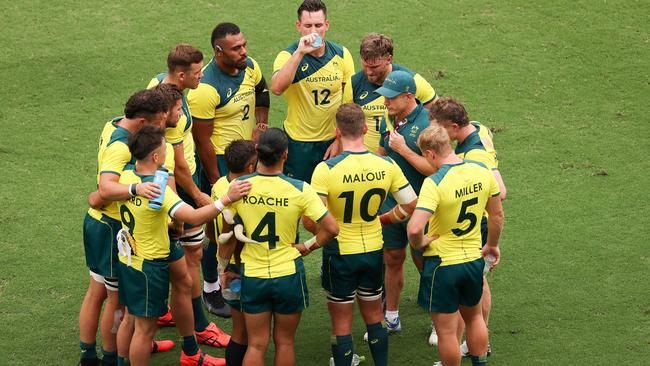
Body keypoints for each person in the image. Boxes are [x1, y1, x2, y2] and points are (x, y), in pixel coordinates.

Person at [116, 125, 251, 366]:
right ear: (156, 157)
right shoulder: (159, 192)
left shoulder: (126, 177)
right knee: (144, 331)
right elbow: (194, 217)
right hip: (150, 265)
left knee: (130, 319)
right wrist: (226, 199)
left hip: (129, 259)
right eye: (165, 147)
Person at [310, 104, 418, 366]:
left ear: (337, 132)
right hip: (372, 249)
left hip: (340, 253)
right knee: (373, 315)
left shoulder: (326, 170)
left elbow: (312, 219)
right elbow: (411, 204)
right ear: (366, 129)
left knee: (342, 321)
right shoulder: (386, 164)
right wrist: (385, 218)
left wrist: (322, 233)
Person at [226, 128, 339, 366]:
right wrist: (308, 246)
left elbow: (226, 229)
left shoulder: (239, 186)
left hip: (254, 274)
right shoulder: (300, 189)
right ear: (285, 154)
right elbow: (331, 228)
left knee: (256, 344)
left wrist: (222, 267)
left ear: (256, 152)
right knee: (285, 342)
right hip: (288, 273)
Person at [147, 46, 232, 345]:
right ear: (181, 75)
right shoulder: (172, 114)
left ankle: (164, 310)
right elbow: (177, 164)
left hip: (169, 184)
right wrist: (197, 195)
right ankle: (199, 326)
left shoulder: (156, 85)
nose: (203, 75)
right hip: (180, 186)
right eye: (197, 72)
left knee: (169, 253)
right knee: (192, 257)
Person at [79, 89, 169, 366]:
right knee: (114, 299)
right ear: (142, 122)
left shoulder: (114, 122)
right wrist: (136, 188)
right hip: (109, 226)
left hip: (100, 221)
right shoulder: (121, 146)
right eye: (157, 123)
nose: (160, 130)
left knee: (99, 290)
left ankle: (91, 354)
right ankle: (110, 356)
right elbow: (105, 189)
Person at [188, 23, 269, 313]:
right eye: (237, 48)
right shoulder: (205, 88)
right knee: (217, 228)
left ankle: (238, 278)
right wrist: (214, 180)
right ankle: (211, 288)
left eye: (244, 44)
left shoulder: (250, 67)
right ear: (218, 51)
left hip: (248, 156)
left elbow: (262, 90)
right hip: (222, 161)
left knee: (245, 222)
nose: (244, 51)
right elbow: (202, 140)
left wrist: (260, 124)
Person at [407, 124, 504, 366]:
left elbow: (415, 228)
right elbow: (497, 215)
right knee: (474, 319)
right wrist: (492, 245)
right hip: (473, 259)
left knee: (447, 332)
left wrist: (420, 243)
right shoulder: (481, 170)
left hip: (443, 266)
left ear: (430, 154)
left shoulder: (435, 183)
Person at [428, 96, 507, 354]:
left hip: (474, 225)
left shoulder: (474, 155)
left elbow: (501, 191)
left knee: (473, 289)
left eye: (439, 128)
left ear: (452, 126)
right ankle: (478, 343)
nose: (436, 134)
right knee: (478, 284)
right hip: (476, 222)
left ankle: (472, 344)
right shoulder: (478, 127)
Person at [375, 70, 436, 334]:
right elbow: (380, 153)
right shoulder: (387, 119)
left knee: (425, 259)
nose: (386, 102)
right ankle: (391, 316)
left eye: (391, 97)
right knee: (392, 256)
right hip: (391, 203)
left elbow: (434, 169)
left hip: (422, 204)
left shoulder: (428, 124)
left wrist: (403, 150)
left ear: (409, 96)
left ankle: (439, 318)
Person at [271, 0, 355, 182]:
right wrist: (300, 53)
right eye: (308, 26)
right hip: (299, 143)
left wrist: (339, 140)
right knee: (302, 195)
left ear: (327, 25)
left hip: (333, 140)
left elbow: (349, 103)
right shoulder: (287, 56)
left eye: (318, 25)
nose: (313, 31)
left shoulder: (341, 54)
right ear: (298, 26)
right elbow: (277, 88)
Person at [210, 140, 258, 366]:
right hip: (251, 266)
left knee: (239, 333)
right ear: (250, 167)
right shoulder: (252, 188)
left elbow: (211, 230)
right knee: (257, 337)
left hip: (228, 268)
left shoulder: (219, 184)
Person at [348, 32, 437, 152]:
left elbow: (438, 116)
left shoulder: (412, 82)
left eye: (375, 67)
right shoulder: (354, 83)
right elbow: (347, 123)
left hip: (405, 156)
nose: (369, 72)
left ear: (389, 59)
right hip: (367, 159)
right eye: (365, 65)